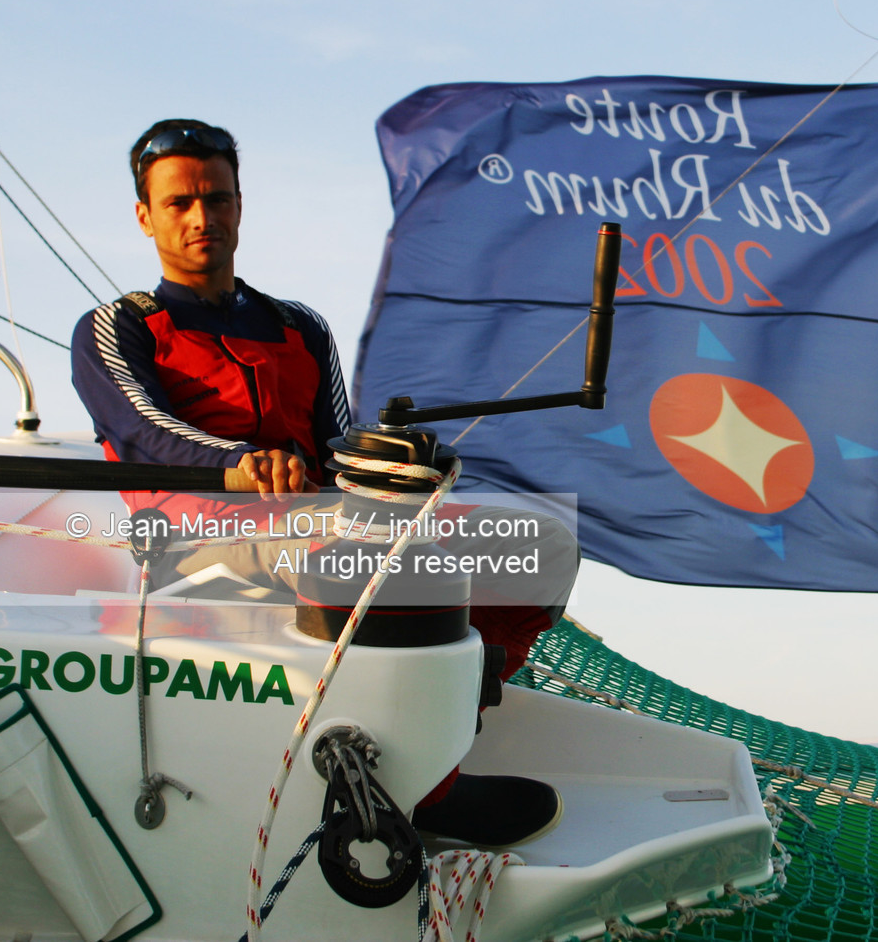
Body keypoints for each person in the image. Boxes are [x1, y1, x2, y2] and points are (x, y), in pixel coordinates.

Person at [71, 118, 569, 847]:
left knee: (542, 544)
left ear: (240, 205)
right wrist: (239, 462)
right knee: (385, 558)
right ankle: (431, 795)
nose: (201, 217)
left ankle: (449, 728)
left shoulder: (299, 326)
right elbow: (144, 429)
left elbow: (336, 446)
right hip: (197, 544)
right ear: (146, 217)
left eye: (217, 198)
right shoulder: (116, 327)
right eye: (179, 203)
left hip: (324, 525)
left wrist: (396, 467)